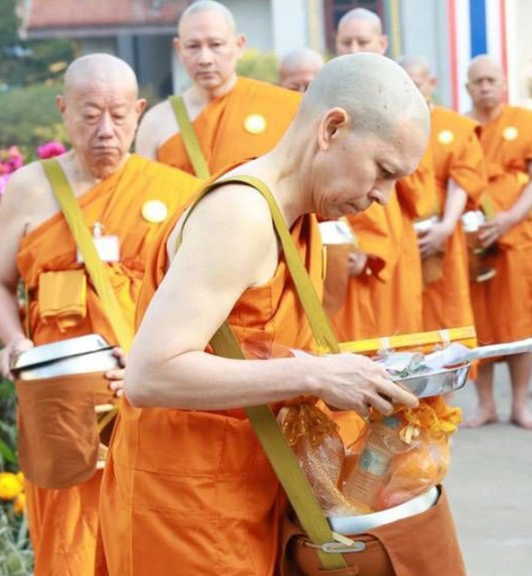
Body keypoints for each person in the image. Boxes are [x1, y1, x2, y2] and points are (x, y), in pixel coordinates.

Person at [98, 53, 463, 575]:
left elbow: (257, 346)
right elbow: (150, 374)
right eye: (383, 171)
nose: (384, 196)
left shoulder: (293, 215)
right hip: (187, 502)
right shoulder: (241, 214)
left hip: (249, 486)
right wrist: (314, 373)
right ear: (332, 128)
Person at [0, 54, 198, 576]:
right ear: (63, 111)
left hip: (143, 397)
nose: (105, 131)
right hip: (56, 401)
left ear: (138, 111)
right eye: (89, 115)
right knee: (67, 541)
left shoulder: (175, 192)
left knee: (147, 536)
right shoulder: (28, 189)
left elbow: (202, 300)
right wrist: (14, 343)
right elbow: (1, 283)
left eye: (117, 115)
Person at [464, 55, 532, 429]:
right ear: (468, 87)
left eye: (491, 80)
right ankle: (485, 404)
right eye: (478, 81)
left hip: (516, 235)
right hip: (474, 237)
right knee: (479, 323)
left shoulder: (526, 123)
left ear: (503, 84)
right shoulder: (460, 127)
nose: (485, 86)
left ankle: (519, 403)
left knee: (520, 320)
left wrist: (511, 217)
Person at [331, 8, 430, 340]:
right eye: (346, 42)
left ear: (382, 43)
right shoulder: (325, 97)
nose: (354, 49)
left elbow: (420, 188)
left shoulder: (406, 103)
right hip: (335, 235)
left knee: (397, 340)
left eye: (363, 40)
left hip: (390, 235)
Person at [134, 0, 302, 177]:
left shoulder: (282, 106)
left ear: (239, 45)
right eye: (193, 46)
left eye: (216, 45)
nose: (205, 59)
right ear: (179, 49)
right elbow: (148, 194)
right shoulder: (156, 122)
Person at [399, 55, 487, 332]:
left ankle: (451, 371)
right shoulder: (390, 122)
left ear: (431, 83)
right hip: (401, 231)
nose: (412, 92)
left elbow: (463, 177)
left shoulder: (454, 126)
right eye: (404, 86)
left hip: (443, 229)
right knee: (404, 308)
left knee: (445, 308)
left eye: (417, 84)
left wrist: (447, 225)